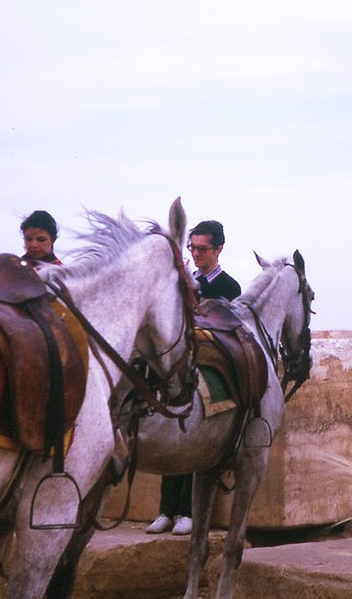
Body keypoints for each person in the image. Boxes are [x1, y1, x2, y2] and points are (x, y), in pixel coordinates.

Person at [147, 219, 241, 536]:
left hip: (209, 369)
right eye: (193, 248)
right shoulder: (186, 281)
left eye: (202, 248)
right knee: (172, 431)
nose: (197, 253)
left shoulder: (229, 287)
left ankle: (186, 512)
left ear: (218, 250)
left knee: (194, 437)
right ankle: (166, 510)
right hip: (182, 367)